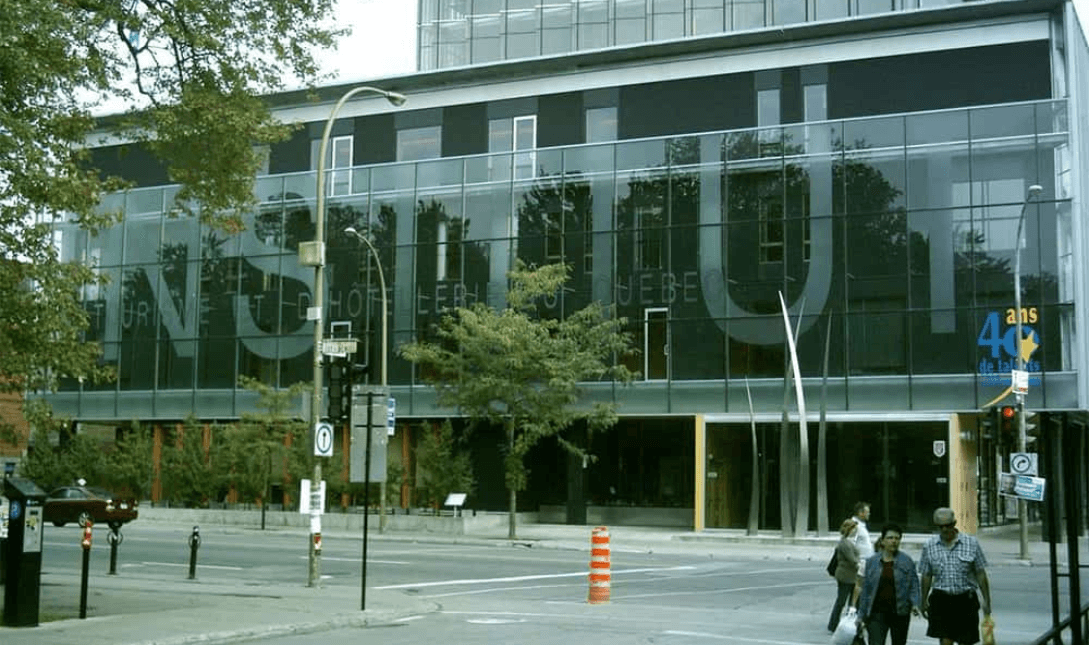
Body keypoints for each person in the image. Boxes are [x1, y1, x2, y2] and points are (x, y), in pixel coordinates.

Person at [918, 507, 992, 645]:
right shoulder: (929, 546)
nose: (944, 529)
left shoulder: (971, 543)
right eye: (940, 527)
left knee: (966, 641)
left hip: (966, 601)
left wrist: (987, 601)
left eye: (948, 525)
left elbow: (980, 573)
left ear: (954, 523)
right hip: (941, 601)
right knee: (945, 641)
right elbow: (926, 575)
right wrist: (923, 601)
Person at [856, 523, 922, 645]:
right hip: (876, 613)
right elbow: (866, 590)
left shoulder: (907, 561)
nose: (894, 541)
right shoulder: (872, 562)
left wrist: (915, 603)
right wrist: (860, 615)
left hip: (900, 612)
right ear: (882, 540)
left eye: (897, 538)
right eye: (890, 538)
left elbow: (914, 584)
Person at [827, 518, 861, 633]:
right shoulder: (845, 543)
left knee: (852, 602)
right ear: (850, 529)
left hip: (851, 575)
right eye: (854, 529)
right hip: (846, 576)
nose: (856, 531)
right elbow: (852, 559)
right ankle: (834, 624)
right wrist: (860, 563)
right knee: (842, 601)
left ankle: (848, 623)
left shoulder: (848, 542)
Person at [852, 501, 875, 571]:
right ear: (860, 513)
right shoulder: (854, 525)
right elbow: (851, 544)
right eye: (867, 512)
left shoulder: (861, 525)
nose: (869, 514)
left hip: (866, 562)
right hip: (860, 563)